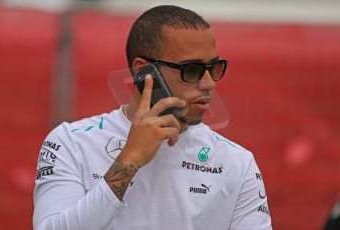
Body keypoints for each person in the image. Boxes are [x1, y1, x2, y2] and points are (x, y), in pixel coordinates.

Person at [33, 5, 272, 230]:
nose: (209, 83)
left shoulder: (238, 163)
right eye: (192, 69)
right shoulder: (71, 143)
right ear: (144, 71)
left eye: (214, 67)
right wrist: (129, 161)